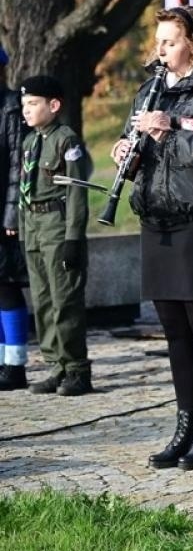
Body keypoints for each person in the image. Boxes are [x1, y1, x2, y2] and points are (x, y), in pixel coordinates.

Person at [116, 6, 193, 470]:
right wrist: (126, 150)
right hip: (156, 220)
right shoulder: (148, 91)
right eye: (159, 40)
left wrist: (170, 135)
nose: (160, 49)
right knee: (173, 331)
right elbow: (137, 148)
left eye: (170, 41)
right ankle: (184, 425)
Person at [15, 75, 91, 396]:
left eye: (33, 104)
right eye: (24, 105)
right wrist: (22, 231)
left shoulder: (66, 140)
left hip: (57, 226)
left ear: (54, 105)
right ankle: (56, 365)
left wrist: (73, 237)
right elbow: (24, 191)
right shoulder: (30, 142)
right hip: (33, 226)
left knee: (64, 300)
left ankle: (76, 368)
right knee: (43, 300)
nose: (26, 111)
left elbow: (76, 193)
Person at [0, 49, 30, 391]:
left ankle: (15, 364)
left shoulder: (11, 106)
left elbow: (16, 167)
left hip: (3, 211)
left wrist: (10, 214)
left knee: (6, 287)